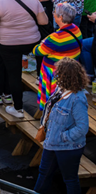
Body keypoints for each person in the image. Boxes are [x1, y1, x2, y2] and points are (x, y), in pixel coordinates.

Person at [0, 0, 49, 117]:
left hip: (8, 44)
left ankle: (18, 108)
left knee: (14, 74)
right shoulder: (33, 0)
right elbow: (43, 22)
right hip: (32, 42)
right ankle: (40, 80)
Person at [34, 57, 90, 194]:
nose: (55, 75)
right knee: (43, 173)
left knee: (70, 180)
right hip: (51, 142)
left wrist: (62, 137)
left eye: (58, 73)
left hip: (68, 147)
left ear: (65, 76)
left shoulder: (77, 99)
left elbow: (82, 127)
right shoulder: (60, 90)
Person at [34, 2, 83, 110]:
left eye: (54, 12)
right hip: (71, 72)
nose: (53, 13)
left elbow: (37, 51)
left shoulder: (55, 38)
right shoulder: (76, 29)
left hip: (54, 74)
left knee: (52, 104)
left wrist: (43, 42)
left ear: (60, 17)